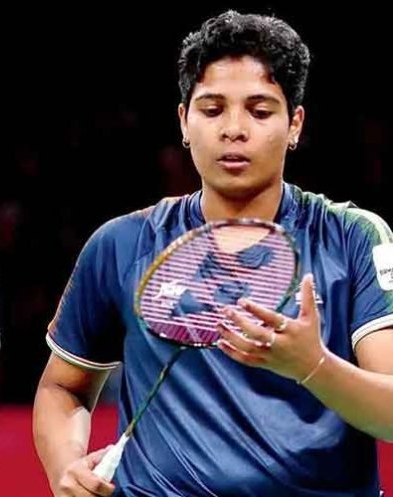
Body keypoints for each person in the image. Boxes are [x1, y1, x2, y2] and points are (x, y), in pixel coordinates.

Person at [33, 10, 393, 496]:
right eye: (212, 109)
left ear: (295, 124)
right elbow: (62, 386)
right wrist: (66, 464)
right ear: (184, 121)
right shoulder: (122, 244)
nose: (234, 129)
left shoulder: (352, 238)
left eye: (260, 112)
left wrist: (313, 366)